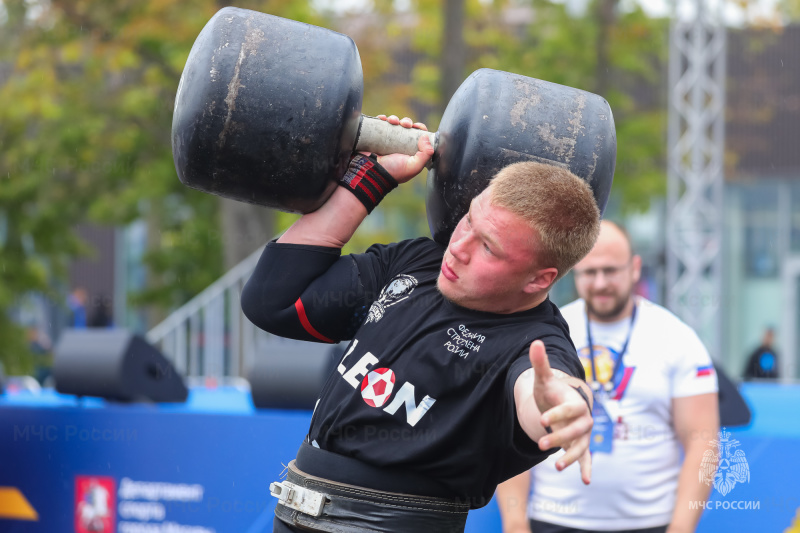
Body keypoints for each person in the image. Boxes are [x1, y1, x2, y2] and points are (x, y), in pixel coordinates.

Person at [241, 115, 600, 532]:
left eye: (488, 247)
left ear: (540, 279)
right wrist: (370, 178)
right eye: (468, 220)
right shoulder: (418, 262)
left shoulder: (535, 341)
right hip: (294, 515)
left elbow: (546, 390)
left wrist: (563, 409)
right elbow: (272, 301)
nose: (458, 248)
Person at [497, 221, 720, 533]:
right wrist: (515, 522)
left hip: (651, 523)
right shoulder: (545, 332)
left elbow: (703, 443)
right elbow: (513, 438)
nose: (600, 283)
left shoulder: (677, 338)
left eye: (611, 270)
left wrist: (681, 529)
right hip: (553, 520)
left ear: (635, 268)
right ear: (574, 272)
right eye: (589, 272)